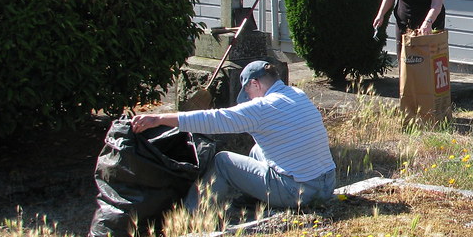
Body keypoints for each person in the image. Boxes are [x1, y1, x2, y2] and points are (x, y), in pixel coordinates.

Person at [130, 60, 336, 211]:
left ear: (255, 84)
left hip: (297, 192)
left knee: (223, 162)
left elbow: (214, 119)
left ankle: (191, 216)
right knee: (257, 150)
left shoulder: (261, 107)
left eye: (247, 91)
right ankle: (255, 200)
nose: (247, 98)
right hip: (326, 185)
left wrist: (159, 119)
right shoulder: (296, 94)